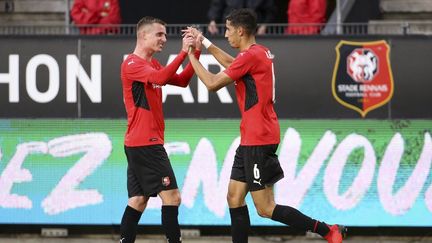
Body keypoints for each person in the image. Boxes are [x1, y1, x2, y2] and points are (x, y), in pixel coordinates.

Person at [185, 8, 347, 243]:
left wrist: (192, 55)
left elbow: (211, 83)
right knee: (234, 197)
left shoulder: (250, 56)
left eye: (228, 30)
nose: (227, 34)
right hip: (252, 136)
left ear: (240, 31)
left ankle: (327, 230)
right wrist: (205, 42)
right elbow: (232, 63)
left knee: (266, 208)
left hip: (258, 138)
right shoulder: (258, 52)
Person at [119, 16, 201, 243]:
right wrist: (183, 53)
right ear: (143, 35)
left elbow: (182, 81)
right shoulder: (132, 64)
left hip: (139, 143)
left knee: (138, 200)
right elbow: (161, 78)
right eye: (159, 34)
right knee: (172, 197)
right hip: (146, 143)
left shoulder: (151, 64)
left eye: (165, 34)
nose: (164, 39)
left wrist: (195, 52)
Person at [207, 0, 276, 35]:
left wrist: (264, 25)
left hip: (254, 29)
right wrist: (213, 20)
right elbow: (217, 4)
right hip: (231, 26)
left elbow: (270, 9)